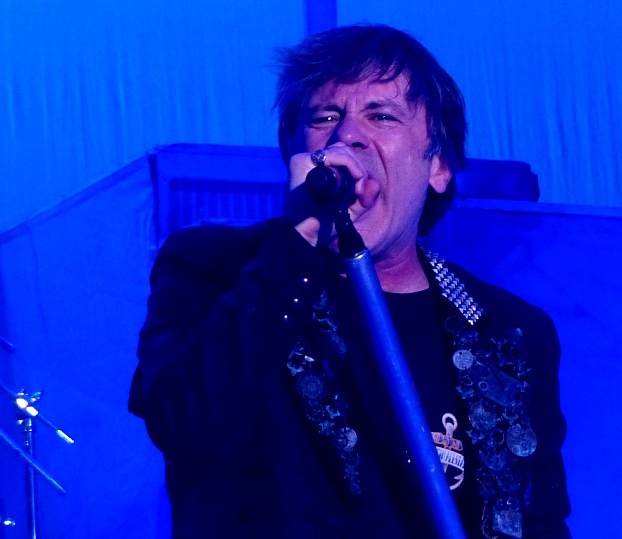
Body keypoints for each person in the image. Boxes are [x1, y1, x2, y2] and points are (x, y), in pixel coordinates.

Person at [129, 24, 571, 539]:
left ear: (439, 166)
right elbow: (182, 420)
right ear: (291, 151)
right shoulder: (215, 268)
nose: (347, 137)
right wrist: (299, 242)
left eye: (381, 116)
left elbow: (539, 519)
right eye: (324, 117)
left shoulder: (510, 331)